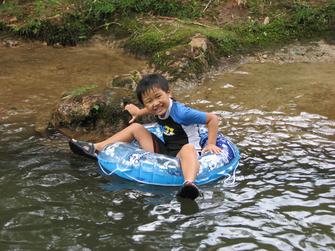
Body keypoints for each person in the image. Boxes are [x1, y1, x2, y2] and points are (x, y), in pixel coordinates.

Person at [70, 73, 221, 200]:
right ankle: (95, 148)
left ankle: (189, 184)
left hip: (188, 154)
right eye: (149, 101)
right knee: (136, 127)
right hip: (167, 152)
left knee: (187, 148)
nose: (155, 103)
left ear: (169, 93)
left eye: (158, 97)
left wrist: (211, 143)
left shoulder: (181, 112)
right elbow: (151, 109)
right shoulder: (158, 108)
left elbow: (212, 119)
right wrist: (138, 113)